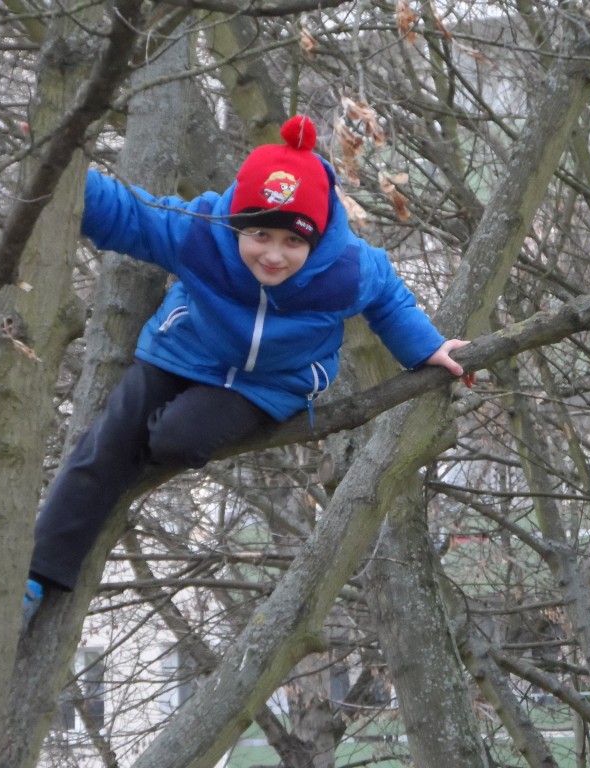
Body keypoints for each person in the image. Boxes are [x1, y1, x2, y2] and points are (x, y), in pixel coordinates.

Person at [23, 115, 468, 625]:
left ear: (315, 240)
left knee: (177, 439)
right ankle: (35, 576)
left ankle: (147, 448)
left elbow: (389, 298)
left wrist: (427, 348)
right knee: (106, 442)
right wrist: (59, 164)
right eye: (259, 235)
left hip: (269, 384)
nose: (274, 256)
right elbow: (129, 215)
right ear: (236, 222)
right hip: (184, 352)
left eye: (293, 242)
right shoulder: (201, 232)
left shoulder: (346, 269)